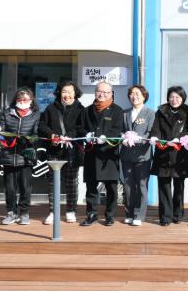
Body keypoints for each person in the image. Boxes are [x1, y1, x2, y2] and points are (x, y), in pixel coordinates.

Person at [38, 81, 86, 225]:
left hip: (73, 151)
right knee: (53, 182)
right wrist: (51, 135)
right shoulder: (51, 108)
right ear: (59, 93)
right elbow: (42, 125)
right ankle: (53, 211)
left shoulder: (81, 109)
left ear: (75, 93)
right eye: (64, 91)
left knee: (71, 182)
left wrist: (69, 136)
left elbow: (82, 129)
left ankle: (71, 210)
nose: (67, 95)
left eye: (70, 92)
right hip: (54, 150)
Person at [80, 81, 124, 227]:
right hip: (92, 154)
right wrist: (87, 135)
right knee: (91, 187)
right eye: (99, 91)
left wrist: (106, 136)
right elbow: (80, 128)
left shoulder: (117, 110)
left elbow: (118, 130)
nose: (102, 94)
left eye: (106, 92)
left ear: (111, 94)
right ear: (95, 92)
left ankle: (110, 215)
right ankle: (91, 214)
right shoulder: (86, 110)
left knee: (111, 187)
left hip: (109, 154)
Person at [150, 86, 188, 226]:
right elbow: (155, 128)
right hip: (163, 153)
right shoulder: (160, 112)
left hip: (180, 154)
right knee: (164, 185)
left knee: (179, 186)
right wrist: (155, 137)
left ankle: (177, 214)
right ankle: (165, 217)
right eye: (171, 97)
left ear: (183, 98)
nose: (174, 100)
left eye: (177, 97)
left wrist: (179, 138)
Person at [0, 87, 40, 225]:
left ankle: (24, 213)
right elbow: (0, 132)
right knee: (9, 187)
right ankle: (11, 212)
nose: (22, 101)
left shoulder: (36, 114)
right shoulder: (6, 113)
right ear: (15, 100)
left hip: (26, 155)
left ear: (31, 100)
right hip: (8, 155)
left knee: (25, 186)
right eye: (19, 99)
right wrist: (7, 138)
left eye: (25, 99)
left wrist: (29, 140)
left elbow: (37, 134)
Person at [120, 85, 155, 226]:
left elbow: (151, 132)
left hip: (142, 155)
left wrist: (139, 138)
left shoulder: (150, 113)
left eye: (137, 93)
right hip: (126, 154)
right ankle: (129, 213)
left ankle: (140, 215)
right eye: (132, 94)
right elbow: (120, 131)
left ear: (144, 96)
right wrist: (123, 137)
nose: (134, 96)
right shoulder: (124, 113)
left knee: (141, 185)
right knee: (128, 185)